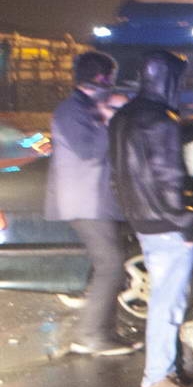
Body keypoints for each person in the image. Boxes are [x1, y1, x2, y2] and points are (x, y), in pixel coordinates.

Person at [109, 50, 193, 387]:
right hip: (167, 223)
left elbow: (118, 176)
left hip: (143, 220)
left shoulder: (124, 116)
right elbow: (170, 178)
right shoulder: (160, 119)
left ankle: (163, 370)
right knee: (168, 300)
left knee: (164, 297)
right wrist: (187, 221)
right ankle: (157, 378)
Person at [44, 49, 132, 356]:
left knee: (108, 266)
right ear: (100, 77)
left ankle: (104, 332)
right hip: (85, 202)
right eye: (109, 78)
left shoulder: (86, 106)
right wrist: (109, 119)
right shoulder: (71, 110)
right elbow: (87, 151)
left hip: (96, 200)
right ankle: (90, 334)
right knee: (111, 265)